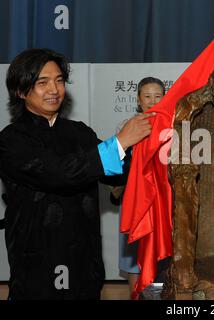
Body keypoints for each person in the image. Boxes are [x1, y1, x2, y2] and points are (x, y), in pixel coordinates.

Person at [0, 48, 154, 300]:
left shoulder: (79, 132)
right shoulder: (11, 140)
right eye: (42, 82)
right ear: (20, 91)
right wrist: (120, 143)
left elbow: (114, 174)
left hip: (85, 264)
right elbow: (59, 173)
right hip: (37, 267)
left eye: (59, 80)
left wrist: (147, 152)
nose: (54, 89)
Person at [111, 77, 169, 300]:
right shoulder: (129, 127)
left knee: (163, 256)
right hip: (136, 201)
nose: (152, 101)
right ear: (138, 100)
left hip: (163, 201)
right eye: (147, 96)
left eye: (158, 96)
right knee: (134, 256)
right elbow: (117, 165)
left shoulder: (174, 127)